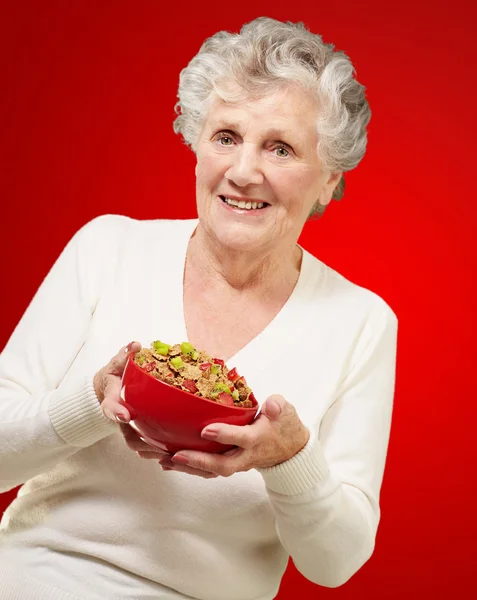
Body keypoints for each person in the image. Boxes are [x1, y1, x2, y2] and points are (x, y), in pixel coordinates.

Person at [0, 16, 398, 600]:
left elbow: (335, 562)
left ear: (328, 178)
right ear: (196, 143)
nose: (242, 172)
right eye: (226, 137)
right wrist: (89, 403)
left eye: (280, 148)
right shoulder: (108, 247)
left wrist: (289, 458)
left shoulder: (361, 322)